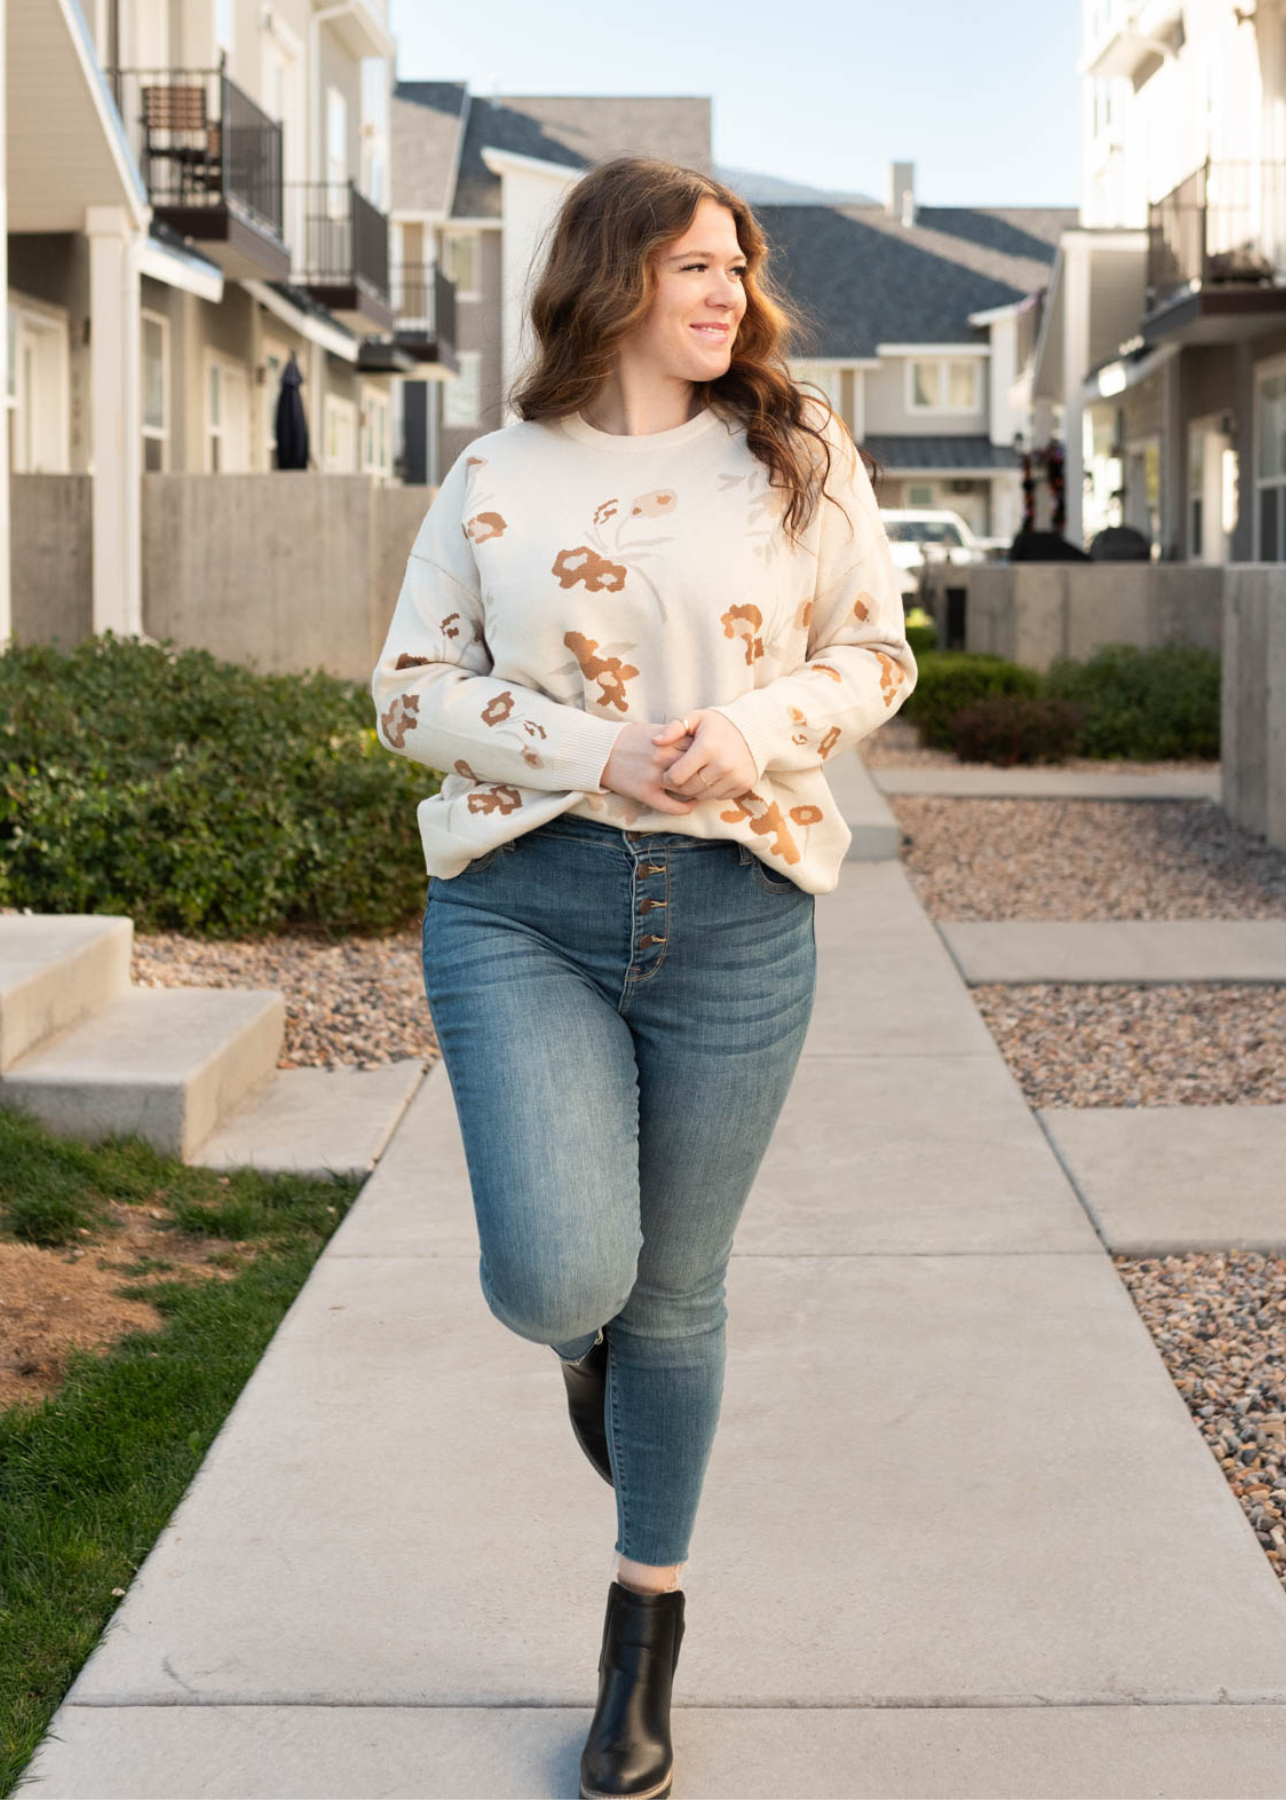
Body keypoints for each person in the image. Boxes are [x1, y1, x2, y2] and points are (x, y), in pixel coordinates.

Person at [371, 154, 918, 1800]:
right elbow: (405, 692)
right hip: (523, 904)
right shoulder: (494, 471)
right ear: (609, 274)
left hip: (739, 912)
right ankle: (579, 1337)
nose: (723, 293)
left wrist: (745, 731)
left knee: (677, 1295)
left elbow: (875, 651)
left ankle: (640, 1630)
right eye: (691, 264)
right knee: (559, 1282)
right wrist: (592, 741)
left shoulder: (796, 451)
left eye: (736, 269)